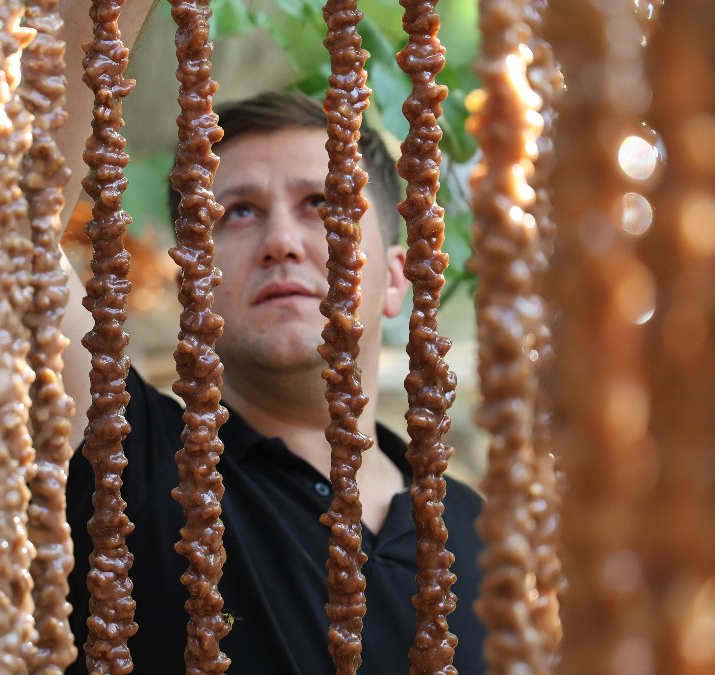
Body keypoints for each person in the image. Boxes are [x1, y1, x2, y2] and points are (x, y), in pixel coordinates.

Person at [56, 91, 487, 674]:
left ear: (394, 279)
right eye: (236, 212)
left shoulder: (483, 536)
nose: (280, 241)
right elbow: (0, 221)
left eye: (323, 203)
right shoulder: (132, 458)